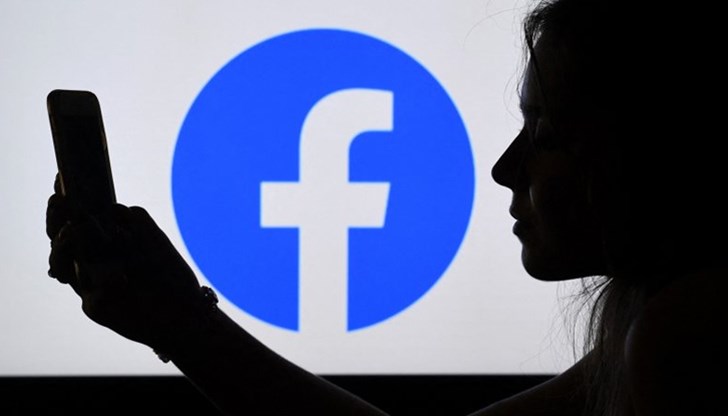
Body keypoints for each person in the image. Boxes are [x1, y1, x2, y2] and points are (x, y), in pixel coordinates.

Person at [46, 0, 725, 414]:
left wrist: (180, 323)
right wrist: (177, 321)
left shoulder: (683, 336)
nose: (503, 169)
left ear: (647, 147)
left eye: (546, 134)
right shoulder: (645, 323)